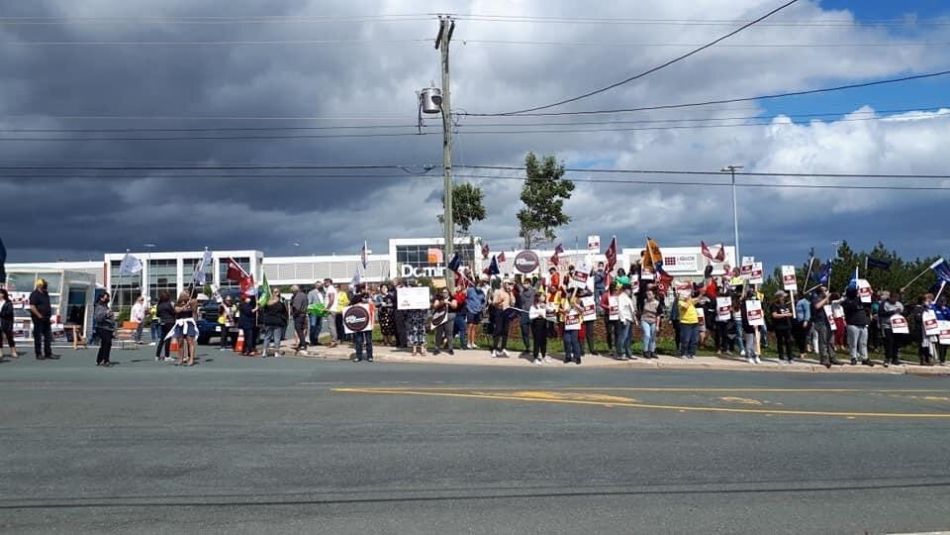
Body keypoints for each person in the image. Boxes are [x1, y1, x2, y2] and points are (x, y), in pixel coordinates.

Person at [841, 287, 873, 367]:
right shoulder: (847, 301)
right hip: (853, 324)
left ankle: (865, 358)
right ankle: (853, 357)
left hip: (863, 324)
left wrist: (870, 294)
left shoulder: (861, 301)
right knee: (853, 343)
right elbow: (853, 306)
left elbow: (869, 303)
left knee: (863, 343)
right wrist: (858, 296)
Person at [810, 286, 839, 368]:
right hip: (821, 322)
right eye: (825, 290)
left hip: (829, 321)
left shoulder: (828, 300)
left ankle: (833, 357)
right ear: (821, 292)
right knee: (823, 341)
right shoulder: (816, 298)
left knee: (831, 341)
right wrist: (826, 299)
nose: (827, 291)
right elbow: (817, 306)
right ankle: (824, 359)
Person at [29, 279, 58, 360]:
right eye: (44, 284)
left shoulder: (45, 293)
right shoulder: (34, 294)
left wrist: (48, 317)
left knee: (47, 337)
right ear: (40, 285)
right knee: (38, 337)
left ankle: (48, 353)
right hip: (38, 319)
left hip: (46, 318)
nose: (46, 286)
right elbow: (32, 306)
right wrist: (39, 315)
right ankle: (38, 354)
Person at [878, 290, 904, 367]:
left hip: (898, 326)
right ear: (891, 297)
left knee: (897, 342)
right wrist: (892, 312)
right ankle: (887, 358)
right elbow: (881, 314)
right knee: (888, 342)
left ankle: (895, 358)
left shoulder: (899, 304)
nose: (895, 300)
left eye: (897, 298)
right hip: (887, 326)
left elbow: (904, 312)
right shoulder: (884, 304)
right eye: (894, 298)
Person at [173, 291, 198, 366]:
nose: (186, 295)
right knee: (180, 342)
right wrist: (184, 306)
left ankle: (191, 359)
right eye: (184, 294)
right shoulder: (177, 304)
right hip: (180, 323)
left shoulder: (191, 303)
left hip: (189, 323)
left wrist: (191, 303)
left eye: (187, 294)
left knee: (190, 342)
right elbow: (177, 310)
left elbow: (194, 310)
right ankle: (180, 359)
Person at [350, 284, 374, 362]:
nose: (365, 290)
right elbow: (349, 306)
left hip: (367, 322)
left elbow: (373, 307)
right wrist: (356, 305)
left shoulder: (369, 297)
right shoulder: (356, 297)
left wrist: (370, 302)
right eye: (364, 289)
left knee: (368, 340)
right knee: (359, 340)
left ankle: (370, 356)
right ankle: (358, 356)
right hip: (359, 322)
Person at [491, 280, 514, 358]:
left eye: (510, 284)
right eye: (508, 284)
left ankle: (503, 348)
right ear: (504, 284)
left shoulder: (509, 292)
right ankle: (494, 349)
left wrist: (510, 293)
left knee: (505, 330)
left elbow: (513, 302)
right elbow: (494, 303)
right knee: (498, 330)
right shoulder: (498, 291)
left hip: (507, 312)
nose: (509, 285)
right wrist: (500, 301)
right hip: (499, 311)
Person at [92, 292, 116, 367]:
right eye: (106, 297)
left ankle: (99, 359)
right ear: (101, 298)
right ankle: (105, 360)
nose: (107, 299)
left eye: (108, 297)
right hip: (102, 328)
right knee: (107, 343)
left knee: (105, 344)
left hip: (109, 328)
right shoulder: (99, 307)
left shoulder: (106, 307)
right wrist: (106, 314)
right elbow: (98, 318)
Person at [770, 291, 794, 363]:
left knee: (788, 342)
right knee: (780, 342)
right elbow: (774, 315)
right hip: (779, 326)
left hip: (787, 325)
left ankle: (790, 357)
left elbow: (791, 313)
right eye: (782, 296)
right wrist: (785, 315)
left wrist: (791, 314)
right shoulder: (774, 305)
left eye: (784, 296)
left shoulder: (786, 305)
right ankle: (781, 357)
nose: (783, 298)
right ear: (779, 297)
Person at [431, 288, 455, 356]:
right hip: (440, 317)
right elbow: (435, 306)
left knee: (449, 334)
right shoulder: (438, 298)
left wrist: (449, 303)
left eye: (446, 292)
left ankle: (450, 348)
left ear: (448, 292)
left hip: (449, 317)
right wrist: (442, 303)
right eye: (443, 292)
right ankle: (436, 348)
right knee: (438, 333)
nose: (444, 293)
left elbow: (455, 306)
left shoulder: (452, 298)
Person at [465, 277, 487, 350]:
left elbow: (483, 301)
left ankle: (473, 342)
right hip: (470, 310)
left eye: (480, 284)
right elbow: (465, 298)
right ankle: (468, 343)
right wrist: (467, 306)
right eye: (477, 283)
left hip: (478, 311)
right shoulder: (470, 290)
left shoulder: (481, 292)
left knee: (474, 327)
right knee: (470, 326)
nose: (479, 285)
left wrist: (482, 307)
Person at [678, 290, 701, 360]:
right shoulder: (680, 302)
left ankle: (691, 353)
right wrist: (689, 299)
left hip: (695, 322)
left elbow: (697, 299)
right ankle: (683, 353)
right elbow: (685, 307)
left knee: (694, 339)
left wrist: (701, 294)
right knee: (685, 339)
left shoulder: (690, 301)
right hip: (686, 323)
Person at [562, 292, 583, 364]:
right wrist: (567, 309)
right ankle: (568, 356)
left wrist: (575, 305)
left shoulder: (578, 301)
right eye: (567, 293)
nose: (568, 294)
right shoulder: (565, 301)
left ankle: (577, 357)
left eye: (570, 293)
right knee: (567, 341)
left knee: (574, 341)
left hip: (575, 325)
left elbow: (582, 311)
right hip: (567, 325)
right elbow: (563, 311)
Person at [517, 277, 536, 356]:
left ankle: (536, 348)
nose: (525, 285)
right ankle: (527, 347)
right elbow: (517, 281)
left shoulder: (534, 291)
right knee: (525, 332)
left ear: (530, 284)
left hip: (532, 313)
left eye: (527, 283)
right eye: (524, 283)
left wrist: (539, 270)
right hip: (524, 314)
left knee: (535, 332)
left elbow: (540, 281)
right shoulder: (521, 291)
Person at [616, 285, 636, 360]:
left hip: (630, 319)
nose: (630, 292)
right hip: (625, 319)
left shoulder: (628, 298)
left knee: (628, 337)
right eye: (629, 290)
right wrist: (623, 319)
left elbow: (632, 310)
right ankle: (621, 353)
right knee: (623, 337)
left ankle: (628, 353)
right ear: (626, 290)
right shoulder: (621, 297)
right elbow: (620, 309)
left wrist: (635, 319)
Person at [154, 291, 176, 361]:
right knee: (168, 339)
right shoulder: (169, 304)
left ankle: (157, 356)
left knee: (162, 340)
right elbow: (173, 312)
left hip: (163, 322)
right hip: (170, 322)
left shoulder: (159, 305)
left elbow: (157, 314)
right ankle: (167, 356)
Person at [528, 293, 549, 365]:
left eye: (544, 296)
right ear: (538, 298)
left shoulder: (545, 305)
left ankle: (544, 355)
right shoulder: (533, 306)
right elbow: (530, 316)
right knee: (537, 341)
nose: (544, 297)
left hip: (544, 323)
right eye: (542, 296)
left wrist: (546, 307)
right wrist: (538, 314)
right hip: (536, 324)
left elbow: (550, 312)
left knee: (544, 340)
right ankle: (535, 357)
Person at [640, 289, 660, 359]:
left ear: (654, 295)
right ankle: (645, 351)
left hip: (653, 321)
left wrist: (657, 325)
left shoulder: (657, 303)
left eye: (650, 294)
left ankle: (652, 351)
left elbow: (658, 315)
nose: (648, 296)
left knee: (653, 337)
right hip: (645, 320)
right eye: (647, 294)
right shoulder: (644, 301)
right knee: (647, 335)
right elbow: (640, 310)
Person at [289, 285, 309, 352]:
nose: (292, 293)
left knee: (299, 330)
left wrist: (294, 314)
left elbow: (297, 307)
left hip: (299, 315)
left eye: (292, 291)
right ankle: (302, 343)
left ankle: (303, 344)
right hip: (303, 314)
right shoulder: (304, 295)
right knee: (302, 330)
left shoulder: (298, 296)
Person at [0, 289, 19, 359]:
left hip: (6, 322)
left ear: (4, 294)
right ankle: (0, 352)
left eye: (1, 293)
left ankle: (13, 351)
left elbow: (9, 312)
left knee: (9, 337)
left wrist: (1, 314)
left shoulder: (8, 302)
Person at [601, 284, 619, 357]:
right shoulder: (605, 295)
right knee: (609, 332)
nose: (615, 291)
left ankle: (617, 347)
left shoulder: (618, 295)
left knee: (617, 333)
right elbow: (601, 303)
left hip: (616, 315)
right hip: (608, 315)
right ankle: (610, 348)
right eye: (614, 289)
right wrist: (607, 307)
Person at [793, 292, 811, 360]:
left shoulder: (804, 302)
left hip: (803, 321)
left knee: (802, 338)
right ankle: (802, 351)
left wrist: (806, 320)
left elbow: (807, 311)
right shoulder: (796, 302)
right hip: (797, 321)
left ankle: (802, 352)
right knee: (798, 337)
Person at [323, 279, 339, 348]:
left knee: (331, 326)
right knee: (332, 326)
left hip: (330, 310)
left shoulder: (330, 289)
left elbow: (331, 299)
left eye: (325, 282)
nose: (324, 284)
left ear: (328, 282)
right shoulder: (331, 289)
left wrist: (327, 308)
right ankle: (334, 340)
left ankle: (334, 341)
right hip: (332, 309)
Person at [934, 296, 949, 365]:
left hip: (945, 329)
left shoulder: (946, 309)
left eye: (943, 302)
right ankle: (940, 358)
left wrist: (944, 310)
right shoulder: (935, 308)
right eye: (941, 302)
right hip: (938, 328)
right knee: (939, 344)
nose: (942, 303)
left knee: (945, 344)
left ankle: (943, 359)